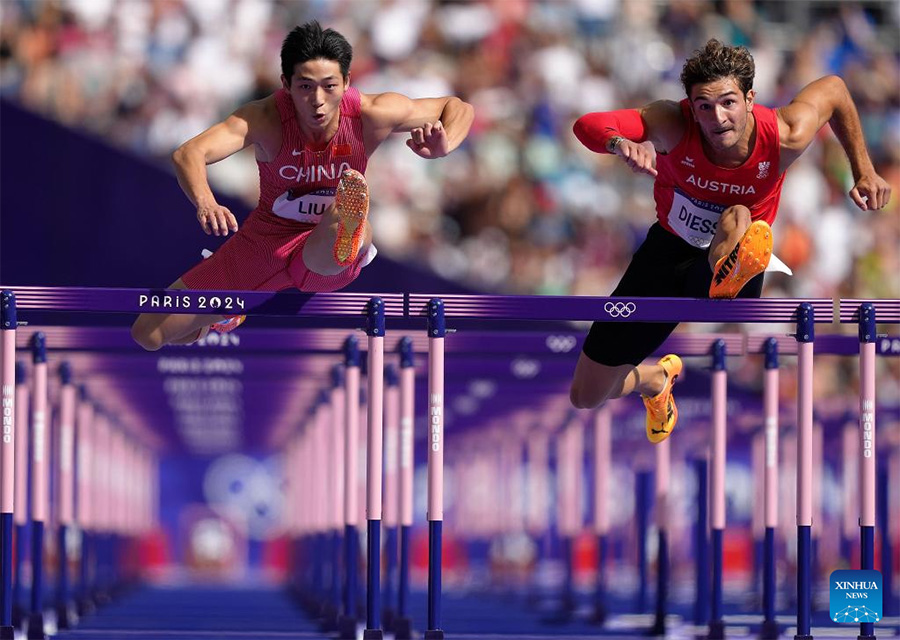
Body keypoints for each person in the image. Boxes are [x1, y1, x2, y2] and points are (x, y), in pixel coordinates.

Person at [568, 39, 891, 443]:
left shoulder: (786, 134)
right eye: (704, 106)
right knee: (586, 395)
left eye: (728, 103)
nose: (717, 117)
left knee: (738, 215)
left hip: (735, 263)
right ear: (689, 105)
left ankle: (731, 268)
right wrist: (621, 143)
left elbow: (836, 90)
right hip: (667, 253)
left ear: (750, 98)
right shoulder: (672, 122)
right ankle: (655, 378)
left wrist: (864, 170)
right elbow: (587, 125)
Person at [131, 21, 474, 350]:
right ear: (286, 84)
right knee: (148, 333)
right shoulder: (264, 118)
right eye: (305, 87)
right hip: (265, 242)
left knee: (349, 225)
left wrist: (447, 143)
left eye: (330, 85)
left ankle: (350, 231)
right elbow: (189, 153)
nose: (318, 100)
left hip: (324, 251)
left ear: (347, 81)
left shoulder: (372, 113)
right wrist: (206, 202)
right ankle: (219, 320)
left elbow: (455, 107)